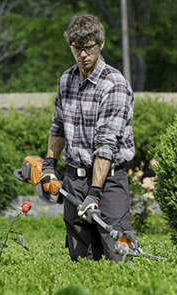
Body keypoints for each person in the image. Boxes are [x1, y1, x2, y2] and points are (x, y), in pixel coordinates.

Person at [42, 14, 135, 262]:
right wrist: (49, 166)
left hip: (109, 182)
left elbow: (106, 145)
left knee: (118, 254)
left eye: (89, 47)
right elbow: (58, 127)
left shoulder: (114, 84)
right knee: (80, 256)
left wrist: (94, 193)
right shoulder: (66, 80)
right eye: (77, 47)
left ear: (101, 44)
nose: (83, 54)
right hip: (74, 179)